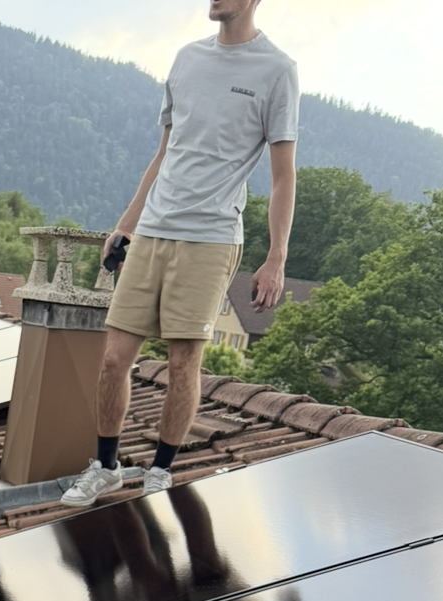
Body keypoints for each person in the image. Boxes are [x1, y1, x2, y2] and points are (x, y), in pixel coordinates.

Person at [62, 0, 299, 507]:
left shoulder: (277, 70)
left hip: (211, 237)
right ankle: (105, 467)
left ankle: (160, 472)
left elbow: (283, 176)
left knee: (182, 362)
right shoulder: (187, 58)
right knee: (114, 359)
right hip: (152, 231)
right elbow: (165, 152)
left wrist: (276, 256)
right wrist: (127, 223)